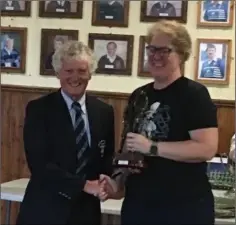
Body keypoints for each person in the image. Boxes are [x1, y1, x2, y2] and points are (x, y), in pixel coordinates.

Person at [100, 20, 218, 225]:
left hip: (182, 208)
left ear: (181, 54)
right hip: (139, 206)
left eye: (164, 50)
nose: (155, 56)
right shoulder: (139, 95)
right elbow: (129, 148)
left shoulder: (194, 94)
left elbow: (206, 148)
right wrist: (117, 182)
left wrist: (152, 147)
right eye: (151, 49)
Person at [16, 41, 115, 225]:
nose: (75, 77)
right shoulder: (39, 110)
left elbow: (106, 158)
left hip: (87, 213)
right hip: (45, 211)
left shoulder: (104, 112)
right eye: (69, 71)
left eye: (81, 71)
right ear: (58, 74)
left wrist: (110, 183)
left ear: (90, 74)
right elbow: (39, 165)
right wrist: (85, 186)